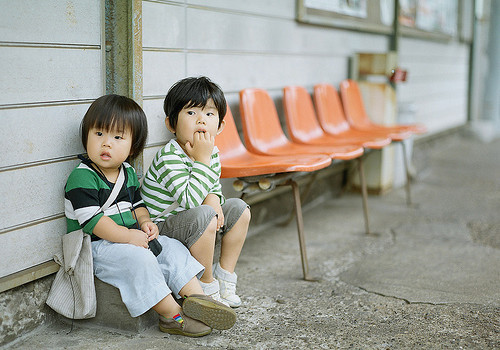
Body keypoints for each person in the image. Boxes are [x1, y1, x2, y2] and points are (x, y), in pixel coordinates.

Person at [64, 94, 236, 337]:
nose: (106, 144)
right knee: (141, 260)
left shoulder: (128, 172)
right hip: (96, 247)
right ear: (86, 137)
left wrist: (145, 223)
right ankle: (173, 315)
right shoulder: (82, 177)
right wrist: (127, 236)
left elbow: (138, 205)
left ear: (133, 146)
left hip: (129, 238)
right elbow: (93, 222)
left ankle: (198, 298)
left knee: (171, 247)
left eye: (117, 137)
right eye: (99, 134)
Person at [141, 77, 251, 307]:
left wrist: (214, 201)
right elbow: (190, 201)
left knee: (240, 209)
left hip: (193, 221)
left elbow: (212, 188)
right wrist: (202, 160)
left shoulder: (212, 152)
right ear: (171, 124)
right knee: (205, 214)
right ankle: (206, 283)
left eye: (209, 114)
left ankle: (225, 277)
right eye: (191, 113)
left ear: (220, 126)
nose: (201, 119)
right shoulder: (169, 156)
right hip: (162, 227)